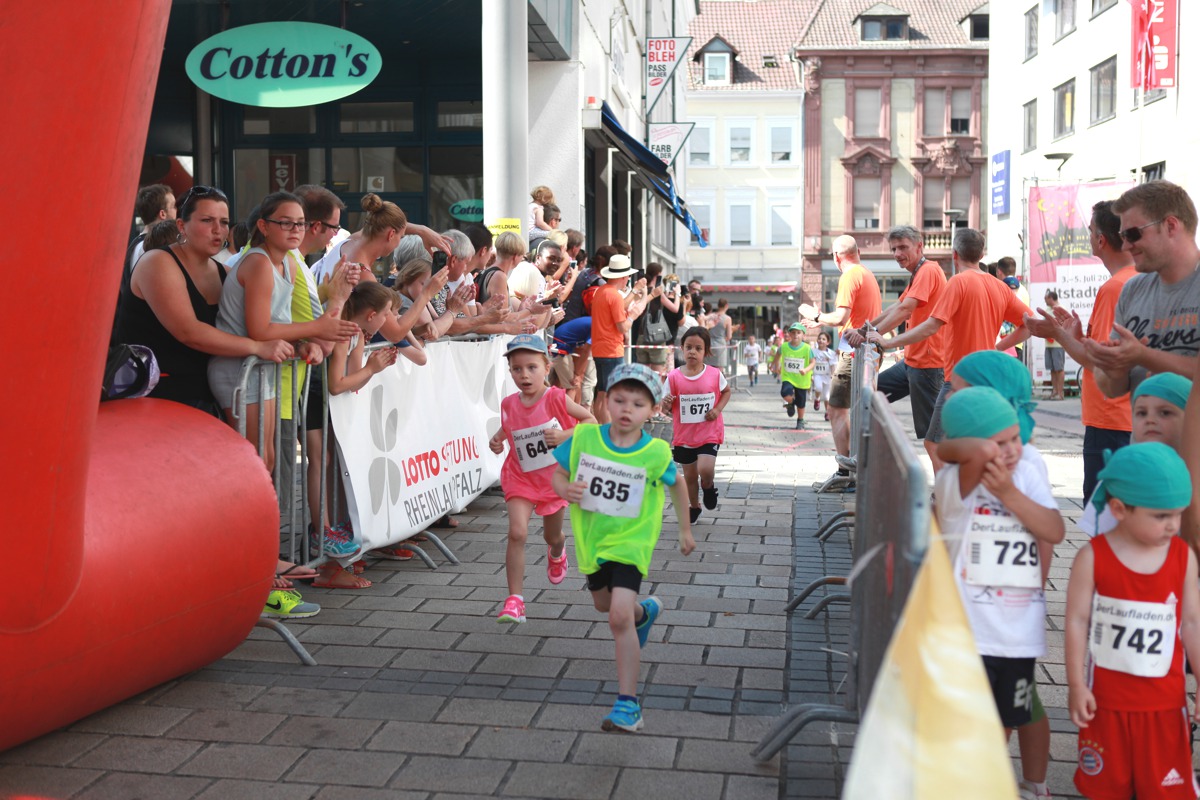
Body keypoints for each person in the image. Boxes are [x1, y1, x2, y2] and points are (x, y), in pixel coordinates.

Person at [934, 387, 1065, 800]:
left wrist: (1010, 493)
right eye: (1000, 443)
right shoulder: (955, 483)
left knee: (1006, 721)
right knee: (966, 725)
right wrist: (962, 446)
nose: (1012, 450)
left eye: (1015, 438)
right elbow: (968, 451)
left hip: (1016, 637)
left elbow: (1054, 530)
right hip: (968, 635)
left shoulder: (1023, 475)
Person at [551, 364, 695, 732]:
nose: (627, 409)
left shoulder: (655, 452)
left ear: (653, 411)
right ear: (605, 401)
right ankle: (643, 614)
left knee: (617, 617)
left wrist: (684, 529)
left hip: (632, 542)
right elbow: (559, 473)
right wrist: (565, 489)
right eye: (619, 400)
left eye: (638, 404)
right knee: (605, 606)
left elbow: (678, 483)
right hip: (593, 542)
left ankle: (628, 705)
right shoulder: (585, 439)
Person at [1064, 443, 1200, 800]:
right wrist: (1076, 684)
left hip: (1165, 706)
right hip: (1105, 704)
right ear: (1119, 509)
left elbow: (1191, 624)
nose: (1173, 525)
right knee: (1106, 789)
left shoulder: (1183, 557)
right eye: (1161, 516)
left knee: (1166, 792)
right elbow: (1076, 621)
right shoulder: (1092, 557)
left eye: (1178, 514)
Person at [207, 192, 358, 474]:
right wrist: (318, 327)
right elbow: (260, 329)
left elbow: (279, 324)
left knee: (267, 458)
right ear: (264, 226)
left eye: (300, 223)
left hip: (260, 368)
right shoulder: (258, 262)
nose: (296, 229)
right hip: (238, 369)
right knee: (255, 460)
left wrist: (301, 345)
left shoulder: (288, 262)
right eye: (286, 223)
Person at [869, 228, 1031, 471]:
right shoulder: (998, 287)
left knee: (935, 444)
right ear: (981, 254)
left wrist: (888, 342)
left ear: (955, 254)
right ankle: (968, 488)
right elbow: (1028, 326)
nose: (897, 252)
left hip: (959, 380)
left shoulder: (958, 282)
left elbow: (932, 326)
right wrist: (997, 348)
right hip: (983, 380)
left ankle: (951, 491)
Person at [1024, 200, 1135, 501]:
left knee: (1102, 511)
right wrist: (1077, 337)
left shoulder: (1115, 287)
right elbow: (1107, 353)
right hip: (1124, 417)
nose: (1088, 237)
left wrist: (1058, 334)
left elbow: (1100, 361)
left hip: (1111, 418)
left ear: (1101, 239)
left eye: (1090, 231)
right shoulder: (1134, 280)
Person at [490, 335, 596, 624]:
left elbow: (591, 422)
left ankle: (557, 550)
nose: (524, 375)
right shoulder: (509, 403)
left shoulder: (556, 398)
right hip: (520, 477)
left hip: (553, 480)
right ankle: (515, 601)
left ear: (547, 367)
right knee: (517, 533)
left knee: (552, 535)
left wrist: (564, 435)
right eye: (517, 369)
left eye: (531, 367)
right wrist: (498, 440)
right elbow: (510, 426)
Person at [318, 282, 413, 589]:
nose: (388, 320)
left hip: (334, 415)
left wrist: (372, 367)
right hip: (320, 410)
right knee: (325, 466)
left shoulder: (357, 334)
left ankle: (338, 545)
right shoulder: (345, 332)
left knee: (333, 468)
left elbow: (354, 380)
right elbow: (337, 384)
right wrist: (372, 368)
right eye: (386, 314)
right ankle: (326, 539)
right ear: (372, 315)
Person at [1089, 180, 1200, 398]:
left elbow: (1141, 356)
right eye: (1122, 237)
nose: (1125, 246)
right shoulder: (1133, 290)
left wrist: (1143, 356)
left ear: (1170, 226)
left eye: (1132, 234)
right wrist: (1115, 368)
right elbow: (1111, 389)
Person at [850, 226, 947, 458]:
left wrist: (875, 335)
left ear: (919, 246)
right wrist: (864, 330)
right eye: (893, 249)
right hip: (912, 361)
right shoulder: (918, 273)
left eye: (903, 247)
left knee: (934, 439)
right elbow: (896, 306)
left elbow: (905, 310)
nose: (897, 254)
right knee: (869, 398)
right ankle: (866, 458)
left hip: (928, 364)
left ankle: (947, 481)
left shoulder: (928, 270)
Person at [801, 235, 881, 479]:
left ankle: (846, 470)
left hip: (854, 351)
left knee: (836, 408)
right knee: (856, 409)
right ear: (858, 252)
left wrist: (816, 316)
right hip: (867, 349)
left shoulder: (849, 276)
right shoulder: (866, 273)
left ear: (836, 257)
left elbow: (840, 318)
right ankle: (855, 467)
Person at [1079, 373, 1191, 539]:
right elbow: (1098, 540)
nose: (1150, 420)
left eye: (1165, 413)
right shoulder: (1122, 471)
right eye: (1141, 413)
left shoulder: (1192, 470)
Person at [662, 326, 730, 524]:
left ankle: (708, 486)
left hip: (709, 432)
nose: (692, 352)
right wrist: (667, 403)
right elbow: (666, 406)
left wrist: (717, 409)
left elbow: (726, 392)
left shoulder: (714, 374)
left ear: (706, 351)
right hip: (684, 436)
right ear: (682, 349)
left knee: (705, 469)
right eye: (689, 347)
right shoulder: (673, 376)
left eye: (698, 348)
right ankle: (694, 506)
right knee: (690, 476)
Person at [589, 254, 648, 424]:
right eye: (628, 276)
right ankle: (608, 430)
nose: (628, 278)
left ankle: (601, 428)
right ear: (623, 277)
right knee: (610, 395)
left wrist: (635, 292)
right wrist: (632, 316)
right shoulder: (614, 295)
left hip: (599, 348)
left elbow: (618, 306)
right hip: (611, 350)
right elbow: (623, 327)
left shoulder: (601, 291)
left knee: (602, 393)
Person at [127, 183, 176, 275]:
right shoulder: (148, 247)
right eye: (173, 206)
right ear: (162, 214)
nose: (176, 210)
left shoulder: (137, 244)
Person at [772, 323, 814, 430]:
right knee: (785, 393)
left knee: (801, 402)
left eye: (798, 333)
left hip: (802, 379)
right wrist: (775, 366)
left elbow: (813, 362)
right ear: (789, 334)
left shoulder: (807, 348)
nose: (796, 335)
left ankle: (800, 420)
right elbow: (777, 355)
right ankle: (790, 403)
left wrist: (806, 370)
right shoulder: (784, 346)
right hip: (788, 377)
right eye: (793, 332)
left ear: (803, 335)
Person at [1042, 290, 1066, 400]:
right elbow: (1043, 323)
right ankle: (1055, 391)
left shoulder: (1061, 309)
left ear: (1051, 298)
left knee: (1059, 369)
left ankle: (1060, 393)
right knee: (1052, 369)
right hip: (1048, 344)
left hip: (1058, 344)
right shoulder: (1047, 310)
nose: (1045, 301)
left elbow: (1064, 325)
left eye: (1046, 299)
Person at [811, 331, 836, 416]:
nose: (821, 340)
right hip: (817, 374)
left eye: (823, 339)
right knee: (818, 388)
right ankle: (817, 398)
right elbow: (810, 363)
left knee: (826, 396)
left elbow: (833, 365)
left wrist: (833, 375)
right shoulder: (813, 352)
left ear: (828, 342)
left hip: (827, 376)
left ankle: (827, 412)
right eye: (819, 338)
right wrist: (810, 374)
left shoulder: (831, 353)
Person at [705, 299, 733, 370]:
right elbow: (729, 336)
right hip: (720, 345)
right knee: (719, 371)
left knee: (708, 369)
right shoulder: (727, 318)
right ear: (726, 306)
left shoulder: (711, 316)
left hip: (709, 344)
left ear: (718, 305)